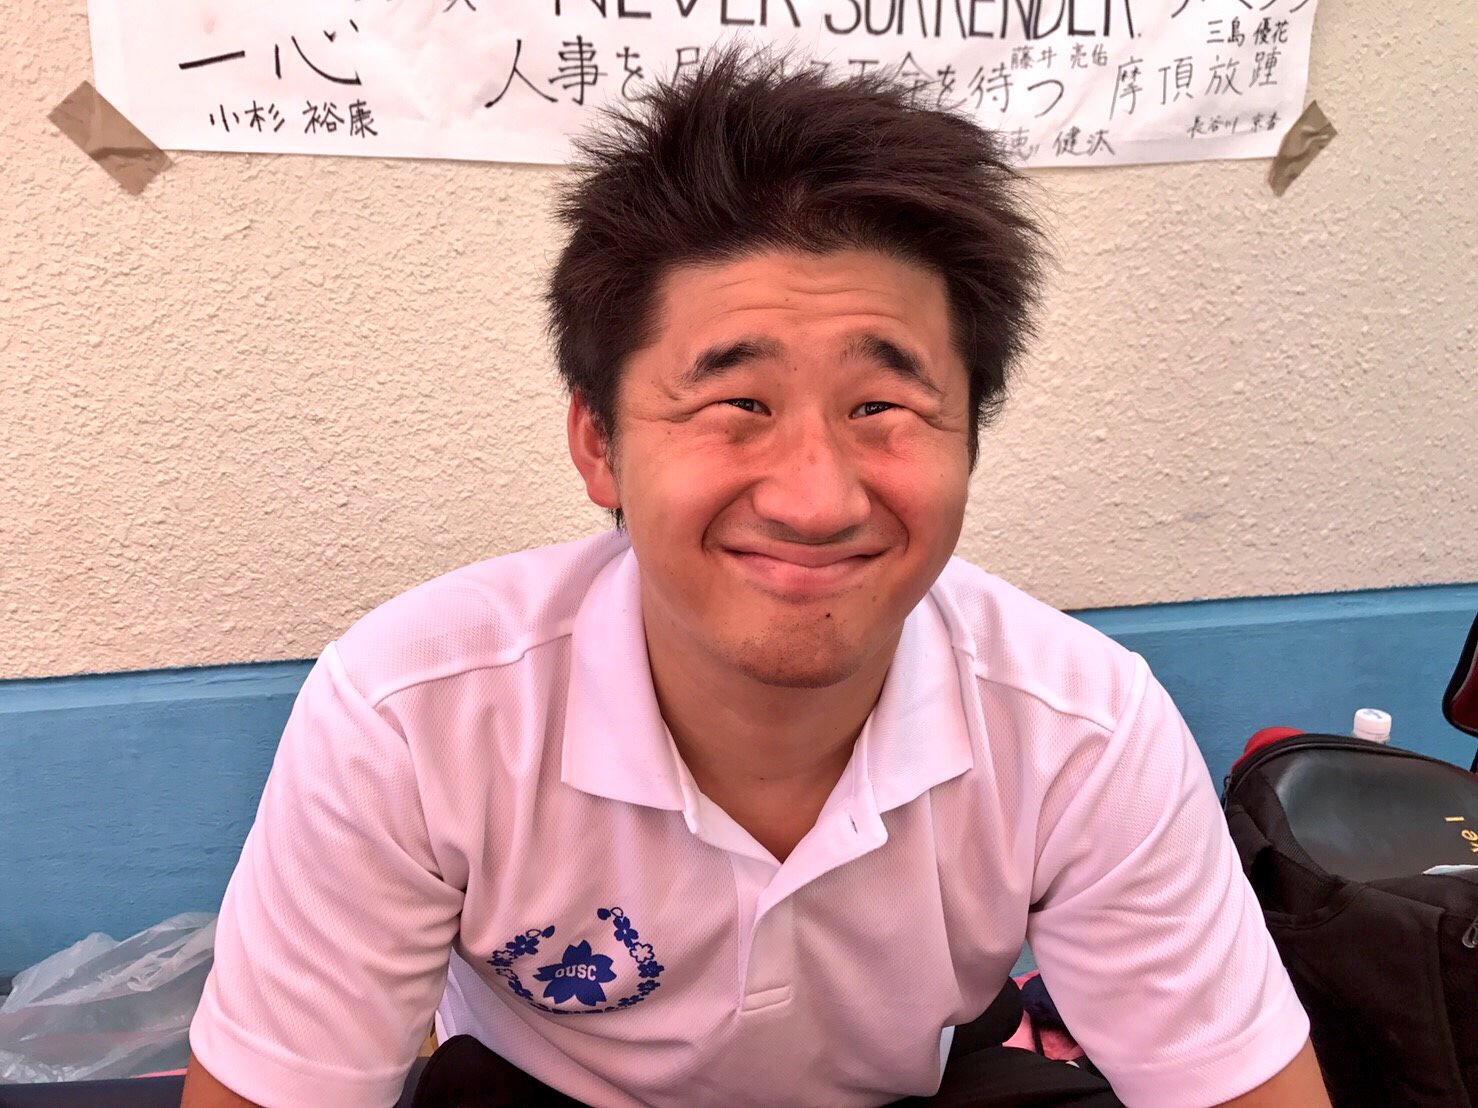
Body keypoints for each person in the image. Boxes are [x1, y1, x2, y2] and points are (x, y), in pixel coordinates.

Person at [182, 49, 1329, 1108]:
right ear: (597, 443)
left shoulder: (1083, 726)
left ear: (968, 439)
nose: (815, 498)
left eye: (881, 405)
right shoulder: (411, 712)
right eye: (737, 403)